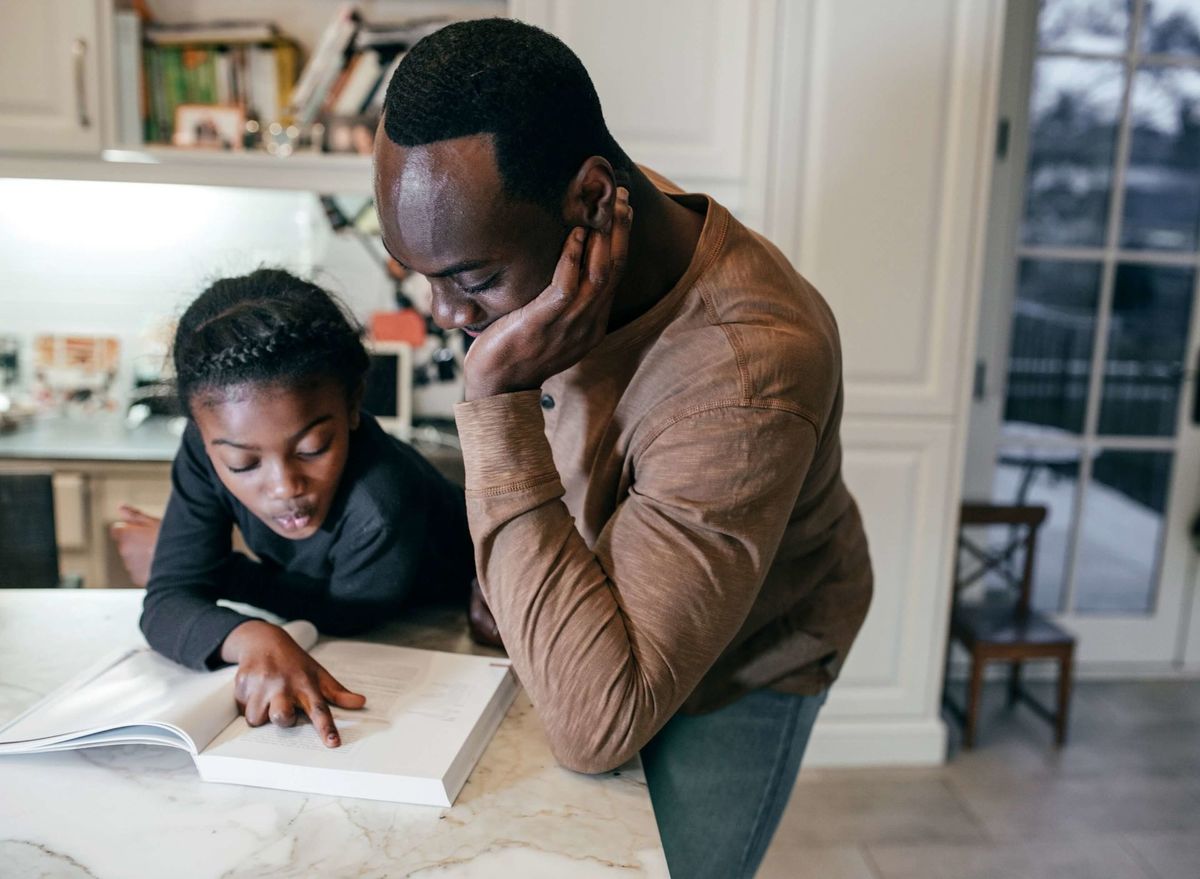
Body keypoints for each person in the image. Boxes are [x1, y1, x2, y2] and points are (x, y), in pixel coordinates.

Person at [372, 18, 873, 879]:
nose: (446, 315)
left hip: (748, 661)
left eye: (473, 278)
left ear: (595, 198)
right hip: (618, 577)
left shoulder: (746, 374)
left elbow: (594, 725)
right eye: (418, 274)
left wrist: (495, 401)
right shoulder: (589, 231)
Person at [135, 268, 474, 748]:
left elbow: (344, 617)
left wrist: (223, 574)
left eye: (313, 448)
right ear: (203, 433)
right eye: (242, 463)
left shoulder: (382, 500)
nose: (285, 487)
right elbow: (166, 602)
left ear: (353, 405)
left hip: (441, 621)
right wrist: (254, 636)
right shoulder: (204, 448)